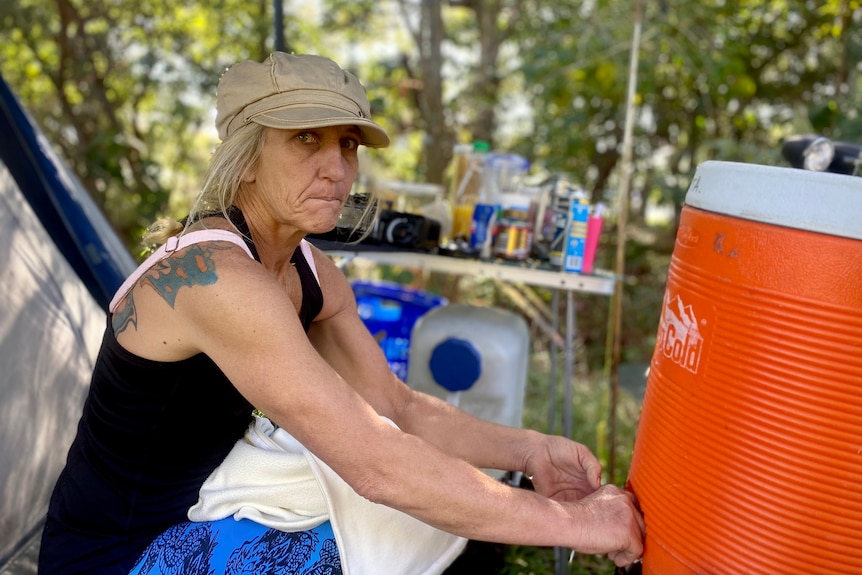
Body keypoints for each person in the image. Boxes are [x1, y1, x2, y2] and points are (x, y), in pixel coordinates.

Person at [38, 52, 644, 575]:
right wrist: (578, 523)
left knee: (456, 525)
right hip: (117, 555)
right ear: (247, 156)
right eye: (306, 139)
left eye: (347, 144)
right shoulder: (218, 278)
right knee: (405, 524)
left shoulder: (307, 267)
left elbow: (396, 408)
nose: (337, 168)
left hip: (205, 515)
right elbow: (378, 466)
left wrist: (529, 451)